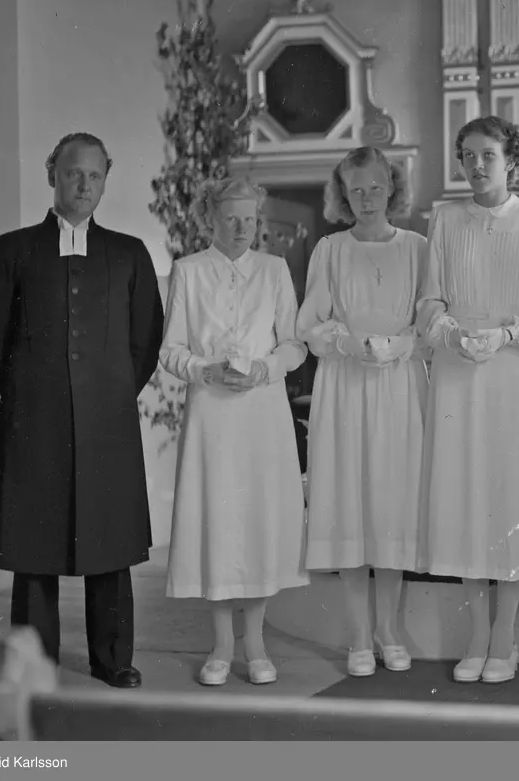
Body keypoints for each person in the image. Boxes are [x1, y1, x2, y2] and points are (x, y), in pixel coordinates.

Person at [0, 133, 164, 688]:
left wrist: (106, 394)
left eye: (95, 175)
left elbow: (145, 342)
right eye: (74, 172)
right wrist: (27, 392)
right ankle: (36, 662)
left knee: (111, 541)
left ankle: (114, 658)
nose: (84, 184)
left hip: (108, 424)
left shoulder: (129, 253)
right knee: (34, 545)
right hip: (34, 421)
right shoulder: (12, 249)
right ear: (52, 173)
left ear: (106, 180)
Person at [417, 116, 519, 684]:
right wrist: (452, 334)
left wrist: (507, 335)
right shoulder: (445, 218)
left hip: (509, 371)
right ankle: (477, 634)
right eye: (468, 155)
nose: (477, 166)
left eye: (488, 155)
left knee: (507, 495)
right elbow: (429, 301)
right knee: (464, 498)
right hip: (456, 372)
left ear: (512, 162)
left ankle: (505, 635)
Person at [161, 177, 309, 686]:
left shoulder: (274, 270)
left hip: (263, 414)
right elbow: (170, 349)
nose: (243, 228)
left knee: (258, 521)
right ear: (211, 218)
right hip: (213, 416)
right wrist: (204, 370)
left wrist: (264, 369)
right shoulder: (188, 271)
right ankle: (222, 645)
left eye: (250, 218)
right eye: (231, 218)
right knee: (218, 521)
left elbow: (294, 345)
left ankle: (256, 643)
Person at [296, 147, 428, 678]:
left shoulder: (418, 248)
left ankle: (387, 630)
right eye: (356, 190)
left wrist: (400, 345)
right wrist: (348, 343)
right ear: (342, 195)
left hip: (400, 385)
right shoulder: (330, 250)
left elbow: (431, 322)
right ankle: (357, 635)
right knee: (350, 504)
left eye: (376, 187)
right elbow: (310, 324)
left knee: (391, 505)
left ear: (392, 187)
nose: (367, 198)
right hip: (346, 386)